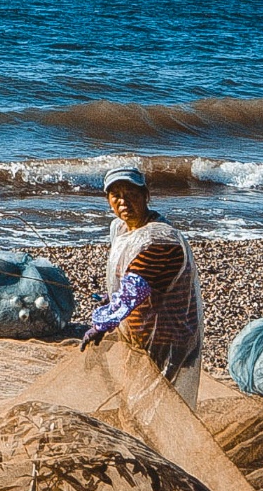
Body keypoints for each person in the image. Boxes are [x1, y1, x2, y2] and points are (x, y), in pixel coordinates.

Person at [79, 163, 203, 405]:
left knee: (157, 401)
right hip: (140, 331)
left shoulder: (159, 239)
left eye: (131, 194)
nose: (123, 201)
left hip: (167, 336)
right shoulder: (123, 229)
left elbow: (133, 290)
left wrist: (102, 323)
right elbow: (129, 280)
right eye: (116, 195)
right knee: (138, 395)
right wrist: (110, 297)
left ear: (146, 195)